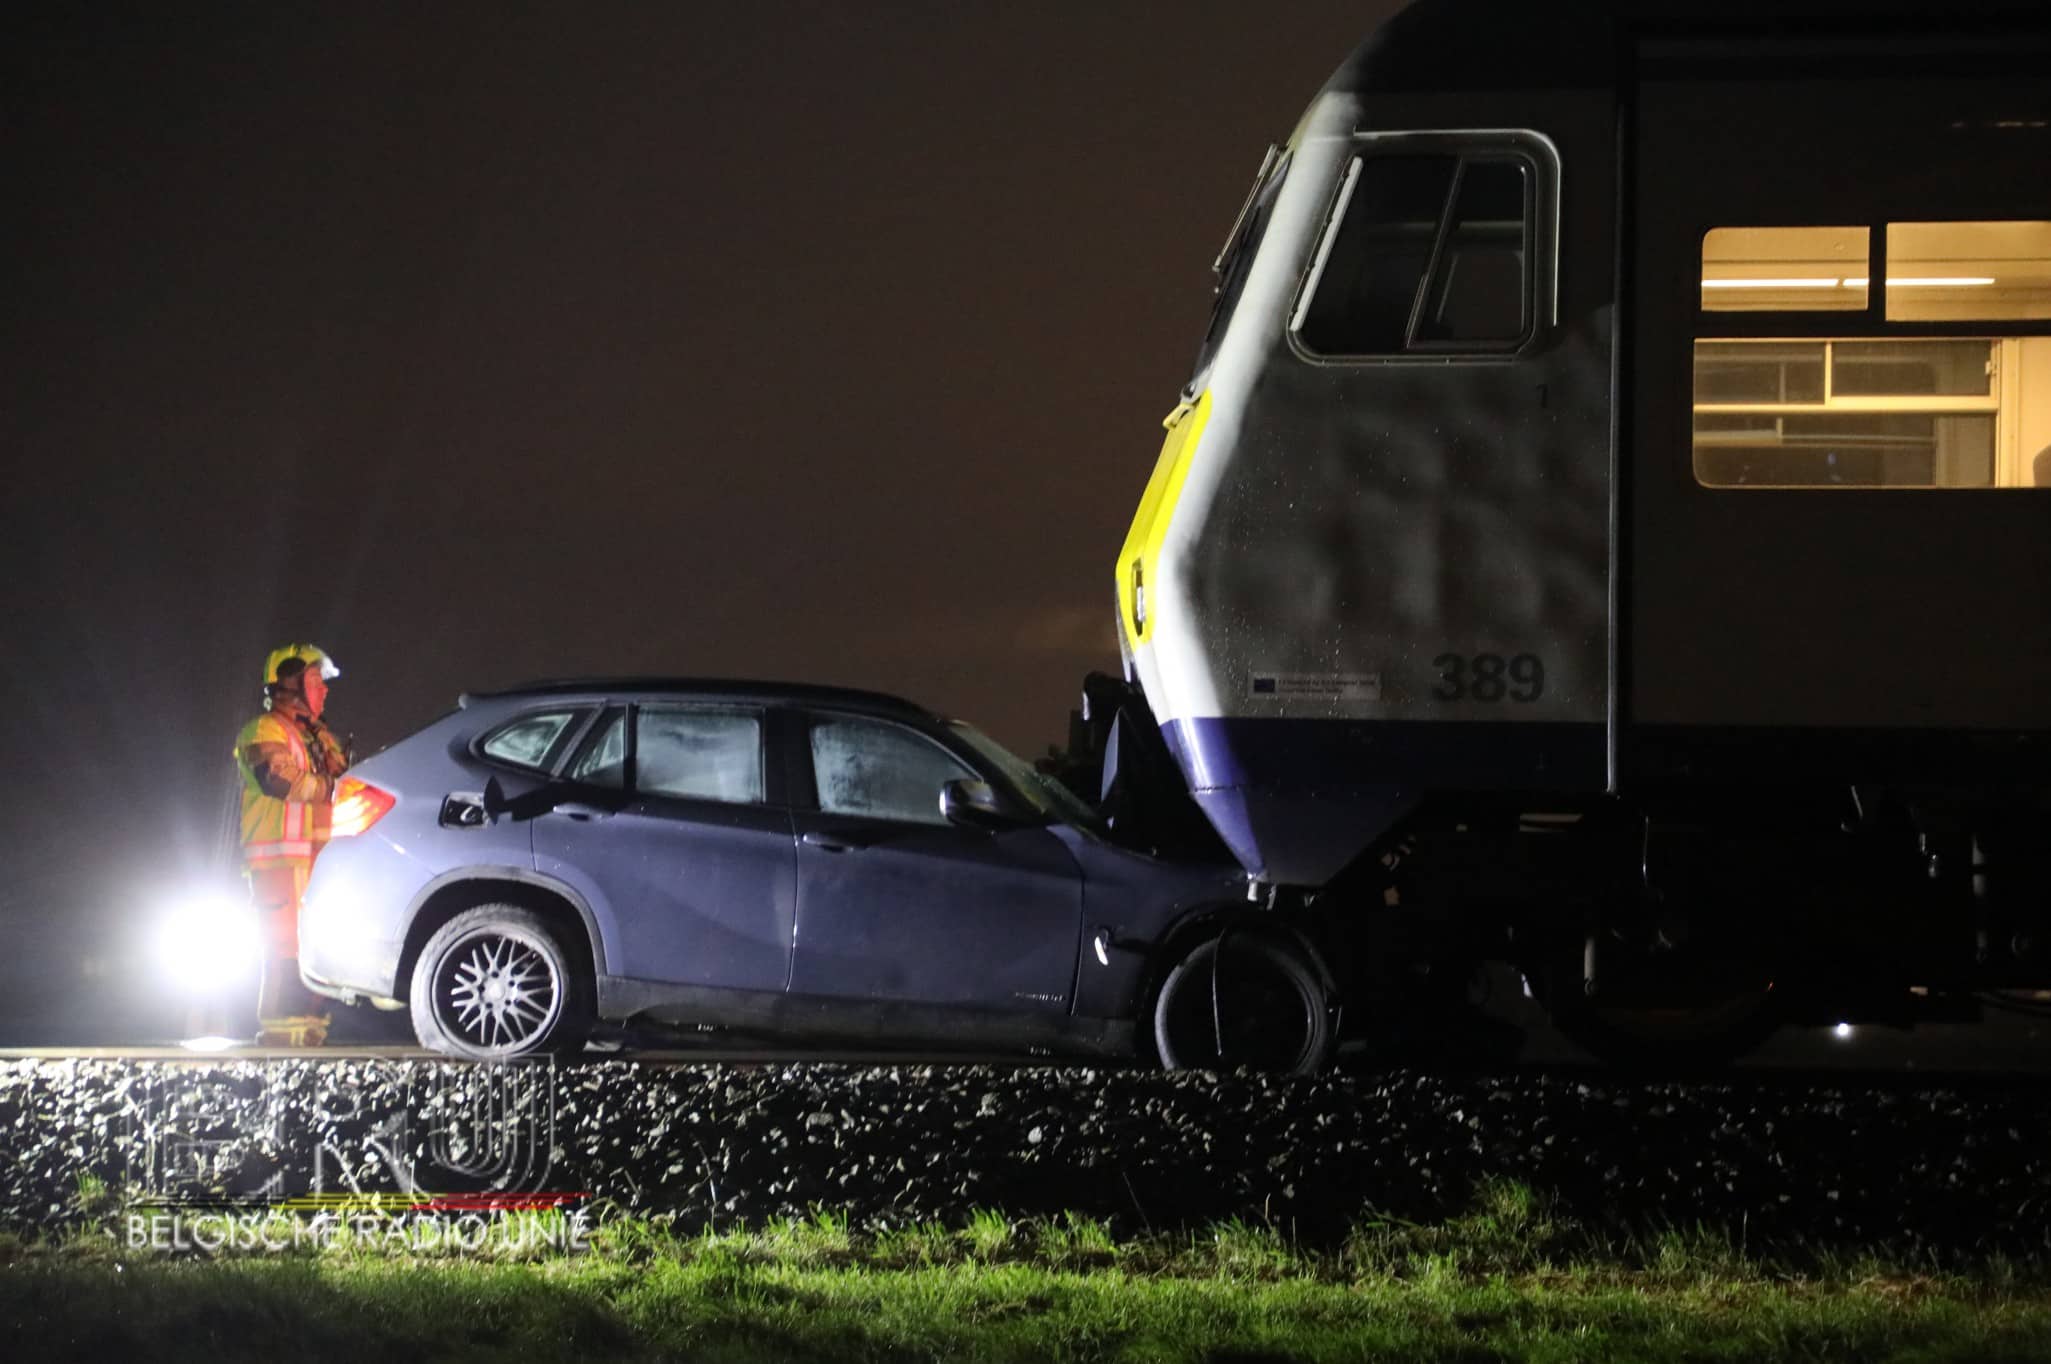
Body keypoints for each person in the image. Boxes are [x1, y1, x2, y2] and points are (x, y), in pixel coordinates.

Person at [235, 643, 350, 1047]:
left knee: (318, 949)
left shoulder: (324, 739)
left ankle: (311, 1036)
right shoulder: (263, 730)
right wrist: (337, 787)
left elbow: (348, 783)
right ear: (291, 683)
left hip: (321, 864)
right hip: (281, 864)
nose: (325, 691)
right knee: (286, 949)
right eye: (317, 681)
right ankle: (281, 1044)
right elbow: (280, 780)